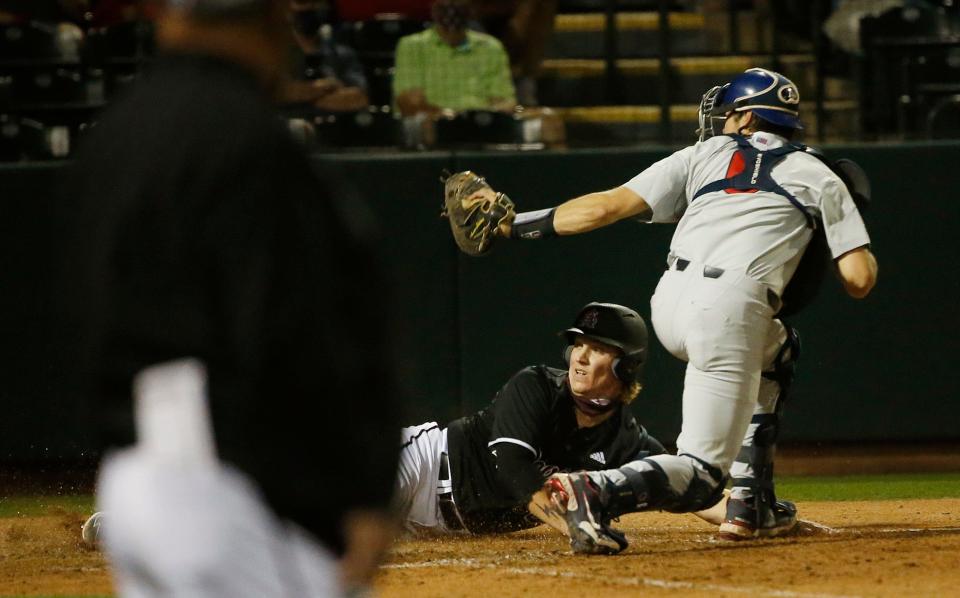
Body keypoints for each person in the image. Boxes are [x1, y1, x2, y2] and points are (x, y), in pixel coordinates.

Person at [69, 0, 399, 595]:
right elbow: (296, 329)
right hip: (222, 484)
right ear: (268, 25)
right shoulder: (249, 139)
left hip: (129, 475)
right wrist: (355, 489)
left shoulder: (115, 132)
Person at [475, 67, 878, 553]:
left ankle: (752, 504)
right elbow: (858, 280)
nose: (724, 121)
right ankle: (594, 488)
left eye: (730, 113)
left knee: (777, 351)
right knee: (704, 476)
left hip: (670, 300)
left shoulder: (702, 154)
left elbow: (602, 208)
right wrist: (846, 220)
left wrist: (512, 226)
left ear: (747, 117)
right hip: (732, 309)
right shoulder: (819, 174)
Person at [394, 301, 728, 536]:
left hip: (444, 525)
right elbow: (513, 466)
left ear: (625, 365)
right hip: (419, 467)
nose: (579, 356)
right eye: (578, 345)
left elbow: (688, 487)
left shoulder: (625, 439)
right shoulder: (536, 386)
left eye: (596, 348)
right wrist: (575, 526)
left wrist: (744, 512)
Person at [392, 0, 516, 116]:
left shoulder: (491, 47)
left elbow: (506, 102)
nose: (452, 7)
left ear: (471, 8)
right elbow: (409, 103)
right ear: (433, 8)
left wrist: (478, 119)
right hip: (431, 127)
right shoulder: (412, 45)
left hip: (481, 127)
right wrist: (450, 119)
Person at [286, 0, 370, 111]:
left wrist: (306, 98)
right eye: (303, 2)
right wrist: (322, 89)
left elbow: (361, 97)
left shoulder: (342, 54)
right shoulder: (275, 56)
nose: (312, 7)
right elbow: (273, 96)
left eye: (318, 2)